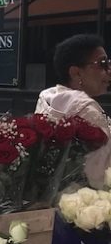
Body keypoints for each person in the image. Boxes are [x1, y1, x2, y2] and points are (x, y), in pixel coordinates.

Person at [35, 33, 111, 187]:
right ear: (76, 73)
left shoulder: (48, 97)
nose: (109, 70)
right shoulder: (86, 109)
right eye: (102, 64)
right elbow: (103, 170)